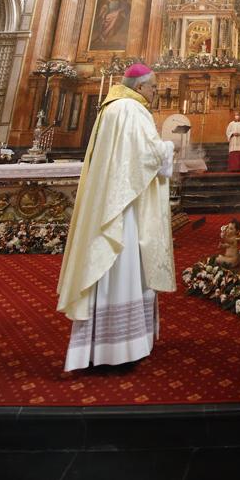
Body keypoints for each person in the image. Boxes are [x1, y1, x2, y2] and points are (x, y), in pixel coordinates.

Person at [57, 64, 176, 371]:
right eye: (152, 88)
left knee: (104, 267)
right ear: (140, 86)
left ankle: (99, 345)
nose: (154, 93)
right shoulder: (133, 111)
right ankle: (121, 348)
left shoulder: (111, 108)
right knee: (122, 268)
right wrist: (170, 148)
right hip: (124, 208)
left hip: (107, 203)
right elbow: (147, 157)